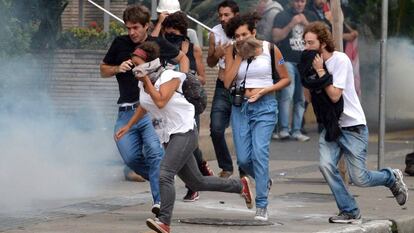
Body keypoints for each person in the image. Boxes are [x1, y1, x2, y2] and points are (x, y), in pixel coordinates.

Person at [115, 42, 254, 233]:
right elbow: (145, 104)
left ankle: (164, 221)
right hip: (168, 135)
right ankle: (240, 186)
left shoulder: (170, 76)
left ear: (149, 64)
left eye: (137, 63)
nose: (134, 68)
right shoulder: (142, 82)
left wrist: (146, 80)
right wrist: (128, 126)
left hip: (184, 131)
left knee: (165, 173)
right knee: (197, 182)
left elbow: (161, 101)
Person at [302, 21, 408, 224]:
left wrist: (320, 71)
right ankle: (349, 210)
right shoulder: (311, 64)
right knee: (325, 166)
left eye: (310, 42)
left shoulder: (339, 60)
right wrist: (307, 76)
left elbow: (334, 96)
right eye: (305, 43)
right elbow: (309, 99)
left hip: (352, 127)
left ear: (323, 42)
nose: (306, 47)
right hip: (331, 127)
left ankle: (390, 177)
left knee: (360, 178)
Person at [99, 4, 189, 216]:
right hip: (126, 110)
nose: (132, 32)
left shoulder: (158, 44)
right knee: (130, 158)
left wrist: (182, 82)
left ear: (147, 26)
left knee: (155, 153)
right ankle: (163, 179)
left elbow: (183, 59)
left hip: (150, 111)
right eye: (128, 27)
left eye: (136, 27)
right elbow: (103, 69)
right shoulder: (119, 43)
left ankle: (160, 203)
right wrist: (116, 68)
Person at [223, 12, 291, 221]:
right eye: (237, 36)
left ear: (253, 32)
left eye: (245, 34)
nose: (241, 39)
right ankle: (264, 180)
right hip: (241, 107)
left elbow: (285, 79)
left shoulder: (270, 49)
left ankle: (262, 205)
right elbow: (227, 83)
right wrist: (238, 56)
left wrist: (264, 90)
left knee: (260, 153)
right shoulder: (232, 51)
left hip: (265, 106)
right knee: (243, 158)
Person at [161, 11, 215, 202]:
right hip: (168, 103)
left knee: (189, 144)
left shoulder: (193, 49)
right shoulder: (164, 49)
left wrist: (186, 74)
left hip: (189, 103)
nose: (170, 37)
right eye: (167, 34)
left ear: (183, 33)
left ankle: (193, 186)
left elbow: (202, 78)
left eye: (174, 34)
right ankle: (201, 168)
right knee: (175, 145)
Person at [272, 0, 317, 141]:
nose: (299, 4)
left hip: (304, 62)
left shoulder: (310, 15)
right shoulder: (282, 15)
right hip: (287, 60)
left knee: (301, 98)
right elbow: (275, 36)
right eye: (297, 1)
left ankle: (297, 130)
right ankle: (284, 129)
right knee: (287, 95)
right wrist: (291, 24)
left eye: (302, 1)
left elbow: (320, 36)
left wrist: (306, 24)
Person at [207, 0, 241, 178]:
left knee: (242, 130)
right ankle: (226, 166)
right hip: (222, 86)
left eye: (226, 15)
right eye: (220, 15)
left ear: (235, 15)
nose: (222, 18)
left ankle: (244, 167)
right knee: (216, 128)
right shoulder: (215, 33)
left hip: (242, 86)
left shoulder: (244, 31)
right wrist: (217, 53)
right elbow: (210, 62)